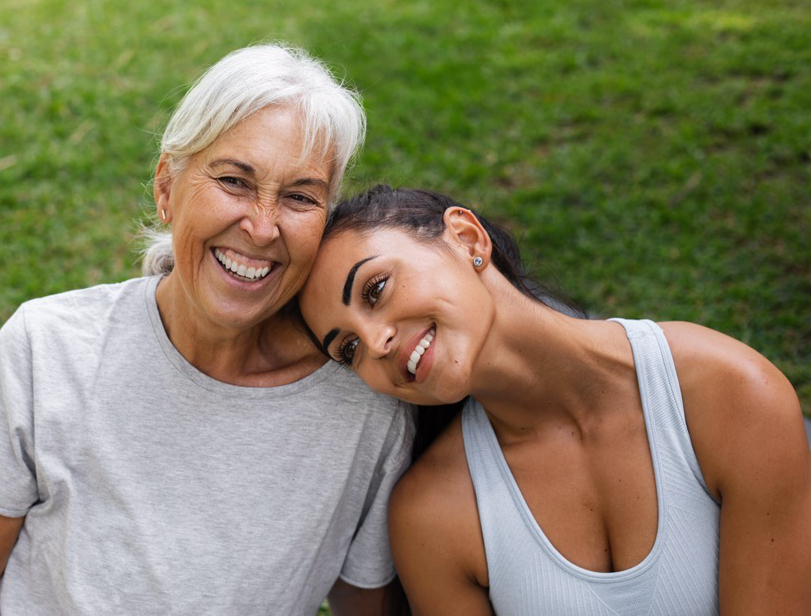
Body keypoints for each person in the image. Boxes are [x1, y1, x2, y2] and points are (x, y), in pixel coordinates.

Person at [0, 46, 413, 615]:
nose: (262, 225)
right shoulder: (48, 348)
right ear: (167, 188)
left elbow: (365, 606)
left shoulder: (365, 406)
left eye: (299, 197)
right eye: (234, 181)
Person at [299, 185, 811, 615]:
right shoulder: (433, 517)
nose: (375, 343)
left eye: (376, 288)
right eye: (348, 348)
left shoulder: (727, 393)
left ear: (466, 237)